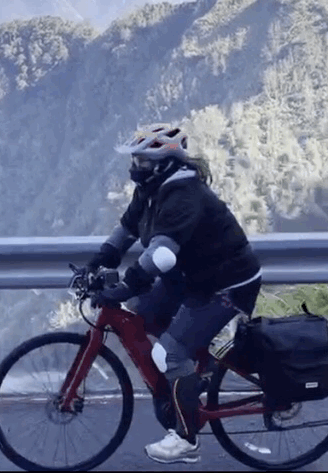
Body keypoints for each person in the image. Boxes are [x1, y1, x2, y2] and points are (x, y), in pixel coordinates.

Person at [83, 122, 263, 465]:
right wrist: (98, 262)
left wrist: (128, 282)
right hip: (194, 278)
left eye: (143, 162)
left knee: (169, 354)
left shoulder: (183, 195)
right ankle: (199, 371)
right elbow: (125, 231)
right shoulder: (151, 190)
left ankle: (186, 438)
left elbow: (162, 253)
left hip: (227, 283)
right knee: (140, 313)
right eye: (135, 161)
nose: (136, 168)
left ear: (165, 162)